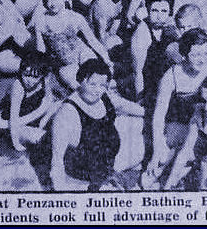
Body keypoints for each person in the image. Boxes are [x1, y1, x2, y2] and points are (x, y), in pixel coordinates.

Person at [50, 58, 143, 191]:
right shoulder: (67, 112)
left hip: (107, 157)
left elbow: (124, 106)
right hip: (85, 171)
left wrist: (153, 113)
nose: (97, 90)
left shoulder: (102, 97)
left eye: (102, 86)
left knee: (145, 123)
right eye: (92, 84)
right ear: (80, 80)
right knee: (153, 147)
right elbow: (56, 162)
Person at [144, 28, 207, 181]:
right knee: (156, 167)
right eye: (196, 55)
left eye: (205, 54)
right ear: (184, 54)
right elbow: (159, 116)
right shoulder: (171, 77)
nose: (202, 60)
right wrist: (157, 150)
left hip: (201, 127)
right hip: (176, 127)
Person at [31, 0, 111, 89]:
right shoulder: (41, 21)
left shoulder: (75, 18)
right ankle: (85, 98)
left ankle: (106, 92)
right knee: (71, 80)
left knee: (93, 72)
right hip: (65, 63)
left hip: (82, 52)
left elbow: (92, 41)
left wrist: (106, 59)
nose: (53, 3)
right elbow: (41, 51)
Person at [0, 51, 60, 151]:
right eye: (26, 75)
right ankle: (32, 133)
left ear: (42, 75)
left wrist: (43, 120)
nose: (29, 80)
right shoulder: (18, 87)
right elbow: (13, 119)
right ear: (21, 71)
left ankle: (41, 126)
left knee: (60, 105)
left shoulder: (45, 80)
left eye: (35, 77)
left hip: (34, 111)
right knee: (38, 137)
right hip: (14, 120)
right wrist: (16, 143)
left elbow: (48, 99)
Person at [130, 0, 177, 102]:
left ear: (170, 12)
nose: (159, 16)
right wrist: (140, 101)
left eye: (164, 11)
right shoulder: (142, 32)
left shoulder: (171, 28)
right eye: (154, 10)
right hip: (147, 86)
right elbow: (137, 73)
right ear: (147, 10)